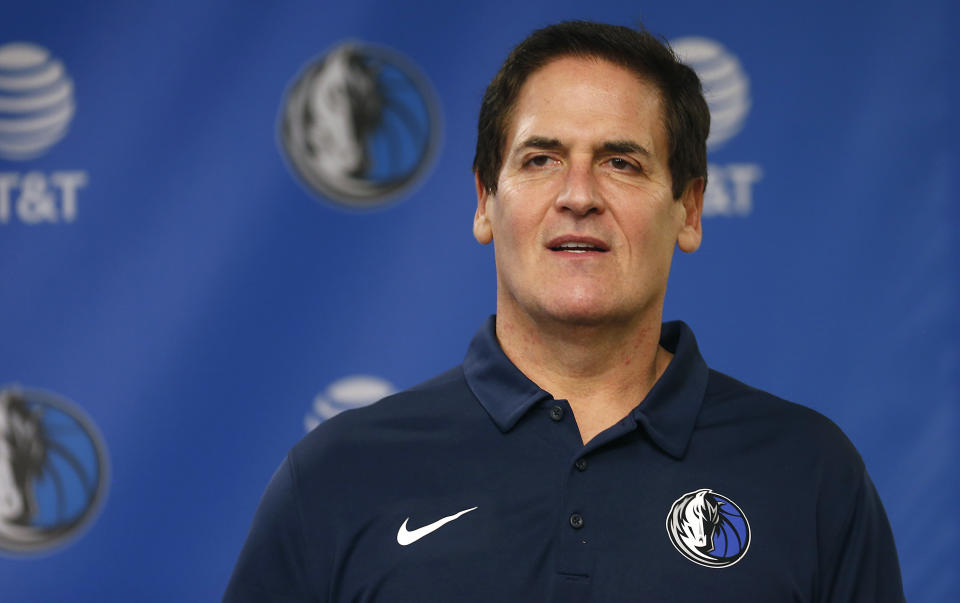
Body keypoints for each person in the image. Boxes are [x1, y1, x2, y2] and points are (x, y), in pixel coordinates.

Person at [224, 21, 905, 602]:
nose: (578, 194)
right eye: (543, 158)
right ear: (486, 200)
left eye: (621, 162)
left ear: (689, 208)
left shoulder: (810, 473)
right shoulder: (339, 475)